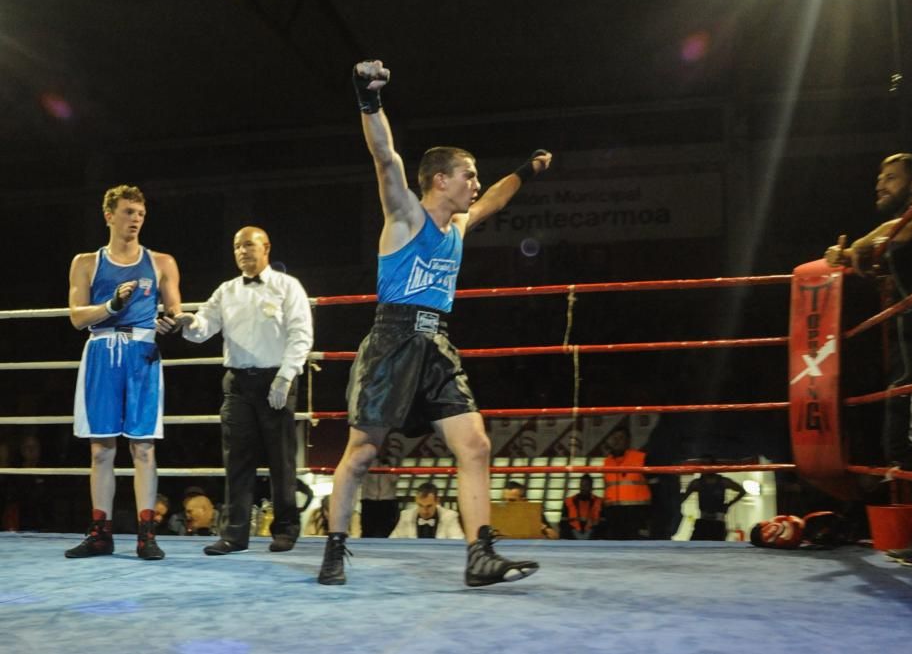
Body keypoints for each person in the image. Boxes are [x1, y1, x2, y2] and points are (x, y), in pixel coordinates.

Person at [318, 59, 552, 587]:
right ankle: (334, 547)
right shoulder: (405, 214)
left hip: (437, 342)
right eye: (468, 173)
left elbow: (494, 199)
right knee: (362, 453)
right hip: (393, 339)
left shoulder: (459, 225)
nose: (475, 182)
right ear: (440, 179)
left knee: (475, 445)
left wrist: (525, 171)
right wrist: (368, 100)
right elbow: (386, 158)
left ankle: (480, 554)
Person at [824, 153, 912, 566]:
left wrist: (860, 246)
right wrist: (850, 256)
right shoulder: (911, 224)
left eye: (891, 177)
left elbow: (900, 230)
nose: (880, 184)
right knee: (903, 438)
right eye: (879, 177)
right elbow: (878, 259)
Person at [167, 226, 313, 555]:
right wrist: (190, 323)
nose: (242, 251)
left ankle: (286, 530)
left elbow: (301, 334)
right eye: (237, 246)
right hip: (237, 383)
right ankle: (234, 534)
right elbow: (204, 327)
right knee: (237, 461)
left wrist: (285, 377)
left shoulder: (288, 287)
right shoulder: (226, 291)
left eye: (248, 245)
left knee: (281, 460)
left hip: (277, 378)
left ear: (266, 248)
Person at [64, 184, 182, 560]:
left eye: (141, 214)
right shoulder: (86, 262)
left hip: (143, 352)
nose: (136, 219)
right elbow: (77, 317)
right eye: (129, 212)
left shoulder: (162, 261)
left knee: (143, 446)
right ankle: (101, 532)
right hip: (101, 350)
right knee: (101, 448)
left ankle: (147, 534)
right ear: (109, 215)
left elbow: (175, 314)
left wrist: (170, 324)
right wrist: (112, 305)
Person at [601, 426, 651, 540]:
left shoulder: (641, 458)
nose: (617, 441)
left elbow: (654, 485)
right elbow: (606, 487)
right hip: (613, 512)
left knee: (636, 547)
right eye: (614, 438)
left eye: (621, 438)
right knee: (615, 548)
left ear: (628, 441)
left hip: (636, 512)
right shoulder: (607, 461)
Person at [680, 472, 746, 540]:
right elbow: (683, 498)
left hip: (716, 521)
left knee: (709, 545)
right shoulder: (698, 483)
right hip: (707, 520)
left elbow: (742, 491)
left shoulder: (722, 481)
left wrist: (729, 504)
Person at [390, 482, 464, 539]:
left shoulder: (450, 516)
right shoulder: (406, 516)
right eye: (420, 505)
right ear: (416, 500)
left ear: (437, 501)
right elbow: (392, 542)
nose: (424, 511)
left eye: (429, 506)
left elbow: (457, 542)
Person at [560, 474, 602, 540]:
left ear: (591, 486)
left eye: (586, 485)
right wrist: (574, 532)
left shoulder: (599, 502)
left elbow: (602, 523)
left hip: (593, 538)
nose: (583, 488)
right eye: (582, 485)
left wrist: (590, 532)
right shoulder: (568, 501)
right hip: (571, 537)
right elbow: (563, 523)